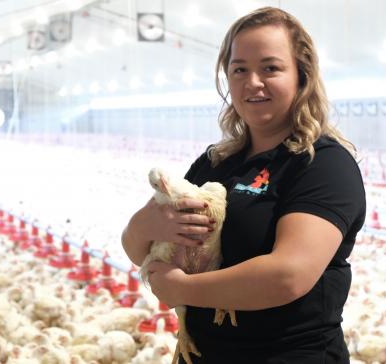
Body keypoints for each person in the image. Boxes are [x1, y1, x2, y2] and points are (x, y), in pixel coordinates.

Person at [121, 7, 365, 364]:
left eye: (270, 68)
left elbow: (288, 275)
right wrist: (143, 224)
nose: (253, 82)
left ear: (302, 75)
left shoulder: (323, 165)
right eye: (240, 70)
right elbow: (142, 249)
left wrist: (183, 289)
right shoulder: (215, 164)